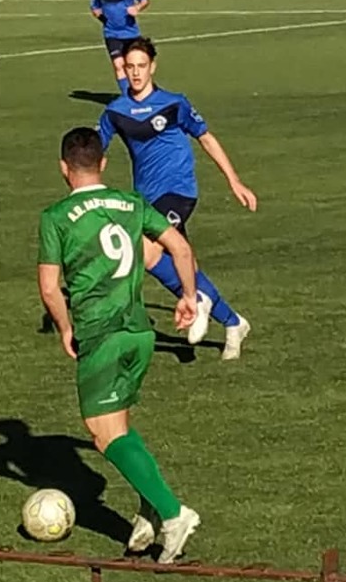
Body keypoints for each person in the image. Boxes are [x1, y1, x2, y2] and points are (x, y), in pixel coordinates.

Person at [38, 126, 203, 562]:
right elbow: (179, 249)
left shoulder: (56, 217)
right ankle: (150, 508)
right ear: (104, 163)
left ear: (63, 168)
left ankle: (174, 514)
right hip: (141, 334)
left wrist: (65, 328)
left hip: (102, 336)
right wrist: (188, 297)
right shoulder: (131, 204)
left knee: (103, 433)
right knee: (117, 429)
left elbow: (50, 287)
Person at [99, 38, 255, 360]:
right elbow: (94, 154)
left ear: (153, 67)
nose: (136, 73)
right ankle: (233, 322)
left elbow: (206, 138)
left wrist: (234, 180)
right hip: (146, 198)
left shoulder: (173, 104)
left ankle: (194, 300)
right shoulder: (115, 112)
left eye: (142, 66)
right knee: (181, 263)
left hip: (179, 191)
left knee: (147, 250)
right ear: (123, 69)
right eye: (130, 67)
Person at [91, 0, 150, 88]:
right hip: (112, 34)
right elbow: (95, 7)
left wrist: (137, 8)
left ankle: (141, 92)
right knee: (119, 65)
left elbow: (145, 0)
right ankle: (126, 96)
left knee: (136, 66)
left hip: (131, 33)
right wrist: (98, 15)